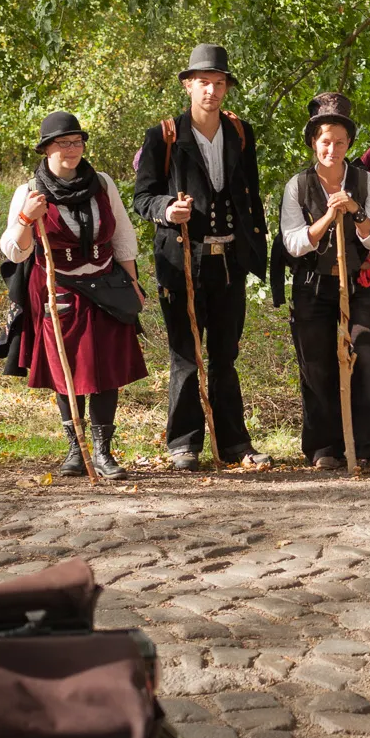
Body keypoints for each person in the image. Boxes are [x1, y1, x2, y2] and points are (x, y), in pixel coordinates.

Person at [132, 43, 272, 469]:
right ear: (187, 86)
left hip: (228, 261)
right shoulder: (163, 135)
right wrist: (166, 211)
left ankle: (234, 444)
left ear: (226, 87)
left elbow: (250, 195)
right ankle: (184, 443)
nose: (211, 90)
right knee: (185, 356)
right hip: (182, 263)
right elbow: (142, 196)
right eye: (203, 83)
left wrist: (257, 250)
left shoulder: (240, 133)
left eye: (218, 83)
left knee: (225, 356)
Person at [1, 111, 149, 480]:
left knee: (107, 368)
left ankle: (102, 451)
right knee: (68, 369)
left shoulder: (102, 183)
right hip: (58, 287)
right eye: (63, 144)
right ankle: (76, 448)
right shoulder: (29, 192)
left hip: (107, 286)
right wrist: (24, 219)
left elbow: (123, 237)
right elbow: (13, 252)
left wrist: (132, 284)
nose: (71, 149)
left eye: (77, 142)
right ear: (46, 149)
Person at [277, 92, 370, 473]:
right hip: (312, 285)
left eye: (340, 142)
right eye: (325, 141)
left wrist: (354, 211)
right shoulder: (298, 186)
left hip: (358, 284)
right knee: (316, 365)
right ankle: (324, 446)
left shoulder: (365, 183)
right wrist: (328, 218)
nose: (332, 148)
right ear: (314, 143)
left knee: (365, 353)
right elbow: (294, 243)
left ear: (350, 144)